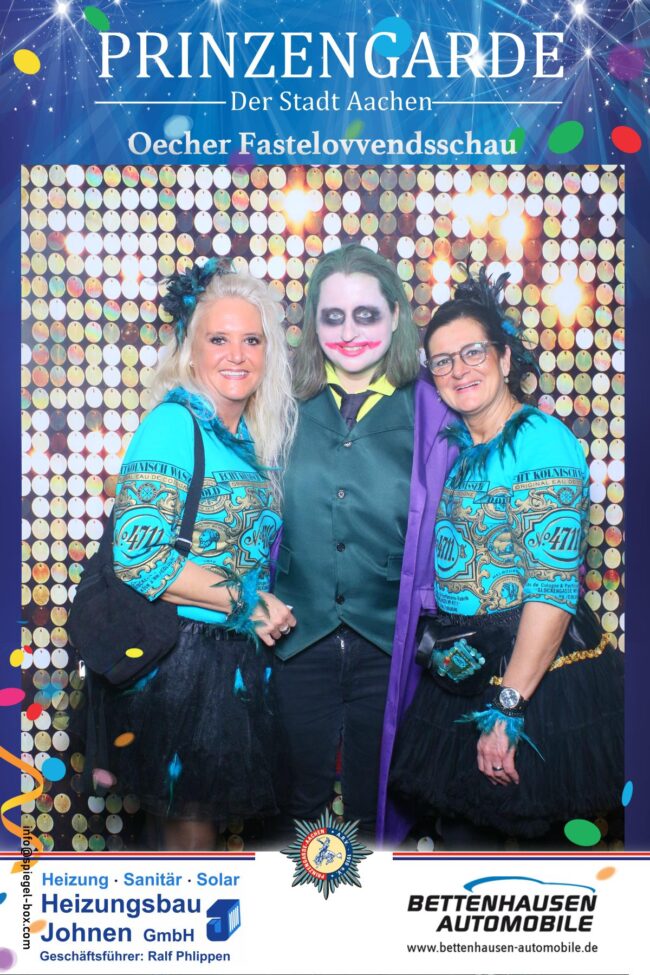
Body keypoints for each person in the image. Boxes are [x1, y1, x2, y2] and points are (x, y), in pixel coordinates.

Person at [388, 267, 624, 849]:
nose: (459, 370)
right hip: (467, 666)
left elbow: (552, 590)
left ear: (504, 356)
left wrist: (508, 708)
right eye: (442, 361)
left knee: (541, 852)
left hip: (533, 678)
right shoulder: (463, 448)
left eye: (473, 352)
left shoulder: (539, 440)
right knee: (467, 843)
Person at [99, 259, 297, 850]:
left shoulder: (245, 438)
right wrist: (248, 603)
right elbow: (138, 558)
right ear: (191, 351)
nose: (236, 355)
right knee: (190, 843)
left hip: (226, 658)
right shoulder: (173, 424)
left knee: (181, 842)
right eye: (219, 339)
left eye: (251, 340)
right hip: (179, 664)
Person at [272, 244, 454, 841]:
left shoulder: (435, 408)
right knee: (294, 810)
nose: (349, 332)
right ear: (313, 323)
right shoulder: (277, 404)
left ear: (396, 315)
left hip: (392, 644)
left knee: (379, 813)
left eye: (366, 314)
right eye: (333, 316)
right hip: (294, 639)